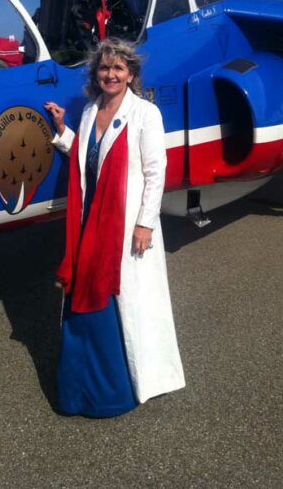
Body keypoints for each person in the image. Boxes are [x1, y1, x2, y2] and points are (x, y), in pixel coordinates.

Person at [44, 37, 184, 418]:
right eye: (104, 68)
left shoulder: (145, 114)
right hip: (92, 220)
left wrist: (144, 224)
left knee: (120, 304)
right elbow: (89, 156)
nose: (110, 74)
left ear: (131, 74)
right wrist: (61, 131)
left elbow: (157, 173)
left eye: (118, 68)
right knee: (83, 300)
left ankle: (115, 393)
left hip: (125, 226)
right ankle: (77, 393)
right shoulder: (90, 111)